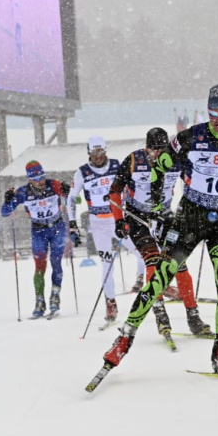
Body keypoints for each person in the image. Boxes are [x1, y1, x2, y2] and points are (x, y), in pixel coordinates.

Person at [96, 85, 218, 377]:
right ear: (208, 109)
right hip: (189, 218)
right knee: (159, 278)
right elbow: (160, 166)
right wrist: (156, 205)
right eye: (215, 110)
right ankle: (124, 339)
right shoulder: (190, 137)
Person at [107, 127, 212, 337]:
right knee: (153, 262)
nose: (157, 154)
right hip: (138, 217)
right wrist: (119, 220)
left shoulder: (175, 160)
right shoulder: (134, 160)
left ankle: (193, 316)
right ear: (146, 147)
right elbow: (114, 192)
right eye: (153, 149)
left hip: (163, 216)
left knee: (179, 264)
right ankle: (160, 314)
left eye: (161, 149)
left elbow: (194, 184)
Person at [0, 161, 71, 317]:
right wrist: (7, 200)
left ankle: (55, 295)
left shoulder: (54, 185)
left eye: (42, 176)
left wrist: (68, 191)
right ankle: (39, 300)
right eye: (36, 178)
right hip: (38, 230)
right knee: (40, 266)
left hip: (57, 228)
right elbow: (5, 212)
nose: (40, 181)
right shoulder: (23, 192)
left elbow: (75, 199)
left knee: (56, 261)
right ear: (29, 179)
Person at [67, 136, 123, 324]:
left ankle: (157, 288)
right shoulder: (82, 172)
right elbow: (71, 198)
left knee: (142, 252)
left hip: (118, 218)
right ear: (89, 153)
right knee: (107, 264)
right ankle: (110, 303)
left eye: (100, 152)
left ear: (105, 151)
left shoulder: (116, 165)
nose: (97, 157)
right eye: (93, 153)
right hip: (98, 223)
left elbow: (130, 187)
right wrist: (73, 223)